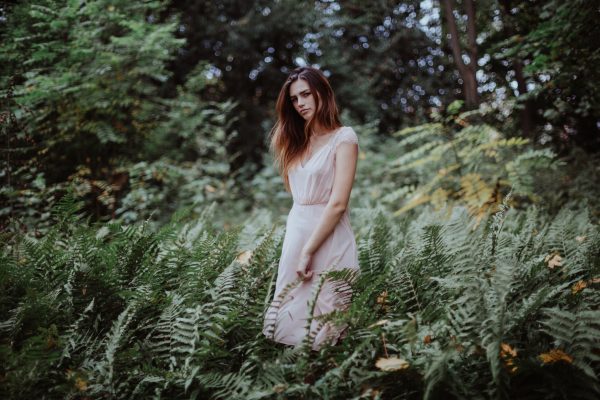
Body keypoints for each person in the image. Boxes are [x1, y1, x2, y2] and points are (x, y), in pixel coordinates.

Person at [262, 66, 360, 351]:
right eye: (294, 99)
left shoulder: (344, 138)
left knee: (324, 327)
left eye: (306, 94)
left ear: (322, 93)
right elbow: (299, 197)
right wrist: (299, 248)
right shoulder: (293, 140)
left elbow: (338, 203)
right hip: (297, 234)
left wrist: (309, 250)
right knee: (290, 325)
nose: (301, 103)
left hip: (329, 240)